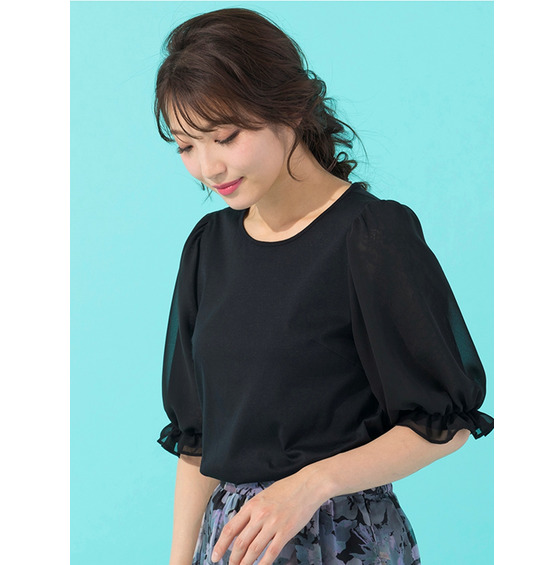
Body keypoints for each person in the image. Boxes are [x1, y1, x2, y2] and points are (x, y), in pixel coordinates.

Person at [154, 7, 494, 565]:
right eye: (187, 147)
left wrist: (312, 484)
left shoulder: (371, 235)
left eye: (225, 136)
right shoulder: (207, 248)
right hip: (232, 544)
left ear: (288, 108)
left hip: (342, 537)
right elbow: (197, 441)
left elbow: (444, 422)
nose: (208, 167)